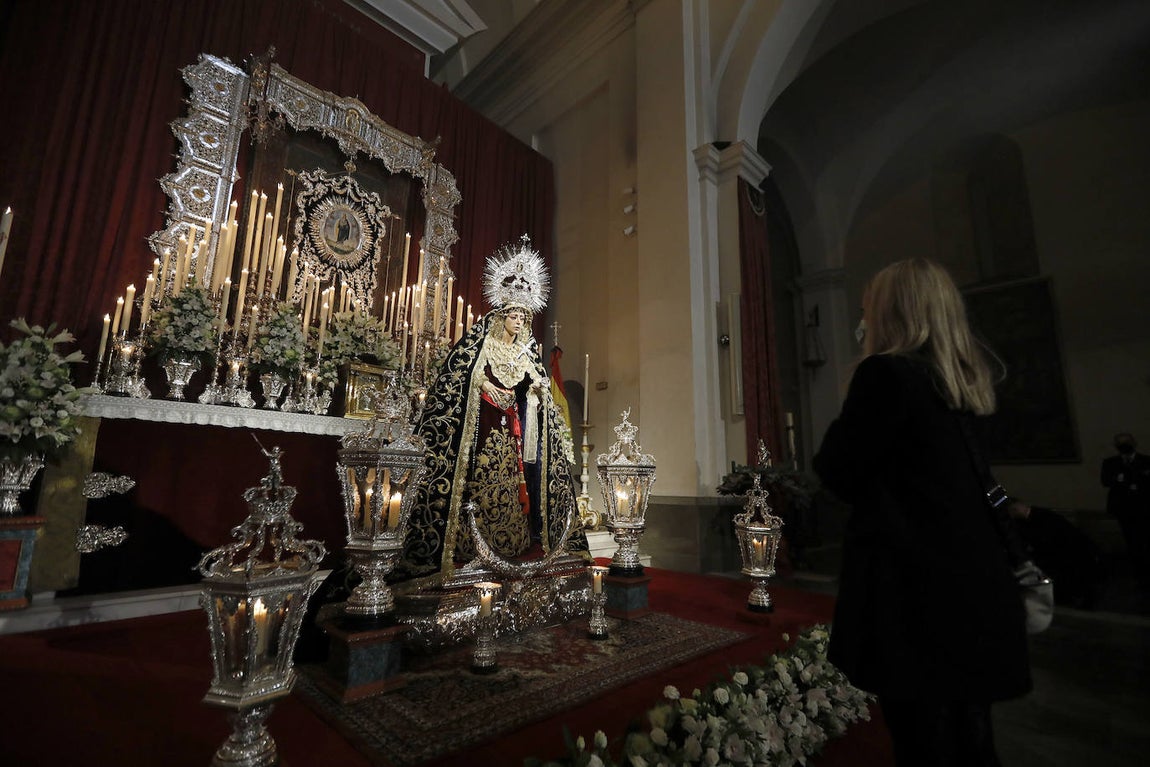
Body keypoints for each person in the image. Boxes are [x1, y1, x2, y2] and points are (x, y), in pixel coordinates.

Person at [813, 258, 1031, 767]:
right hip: (976, 589)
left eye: (868, 309)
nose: (862, 319)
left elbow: (836, 468)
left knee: (924, 742)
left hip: (918, 596)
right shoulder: (961, 386)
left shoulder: (885, 374)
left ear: (893, 313)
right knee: (971, 739)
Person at [399, 236, 584, 585]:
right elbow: (462, 375)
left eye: (523, 316)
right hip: (483, 428)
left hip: (513, 431)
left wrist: (537, 390)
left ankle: (514, 540)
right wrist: (486, 388)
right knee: (481, 480)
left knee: (514, 485)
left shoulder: (527, 353)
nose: (518, 320)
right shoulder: (480, 346)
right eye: (513, 315)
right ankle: (469, 541)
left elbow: (534, 384)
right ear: (501, 317)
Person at [1007, 499, 1107, 609]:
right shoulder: (1034, 518)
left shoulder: (1042, 518)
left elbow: (1048, 538)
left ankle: (1083, 600)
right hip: (1062, 550)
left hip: (1070, 549)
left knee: (1078, 577)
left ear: (1016, 509)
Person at [1100, 433, 1150, 587]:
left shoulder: (1146, 461)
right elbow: (1106, 481)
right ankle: (1139, 573)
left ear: (1134, 443)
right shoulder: (1110, 463)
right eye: (1120, 444)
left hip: (1144, 508)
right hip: (1124, 509)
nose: (1124, 446)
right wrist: (1121, 480)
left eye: (1126, 443)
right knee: (1132, 541)